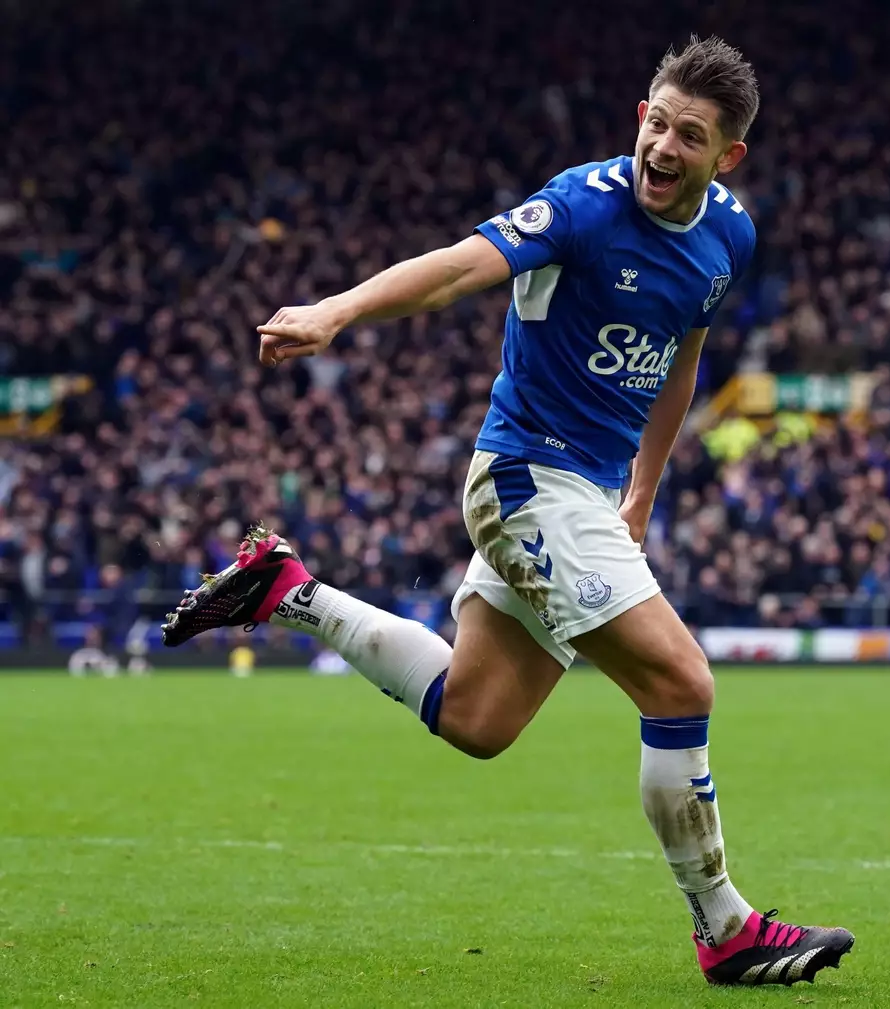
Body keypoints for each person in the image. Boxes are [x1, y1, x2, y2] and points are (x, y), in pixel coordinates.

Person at [161, 35, 854, 987]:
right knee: (683, 684)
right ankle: (725, 928)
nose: (661, 146)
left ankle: (287, 590)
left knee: (477, 718)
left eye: (688, 136)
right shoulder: (580, 205)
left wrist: (645, 486)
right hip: (530, 477)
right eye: (656, 120)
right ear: (638, 115)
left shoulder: (727, 237)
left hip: (585, 494)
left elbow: (682, 356)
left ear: (727, 156)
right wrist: (335, 312)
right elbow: (452, 269)